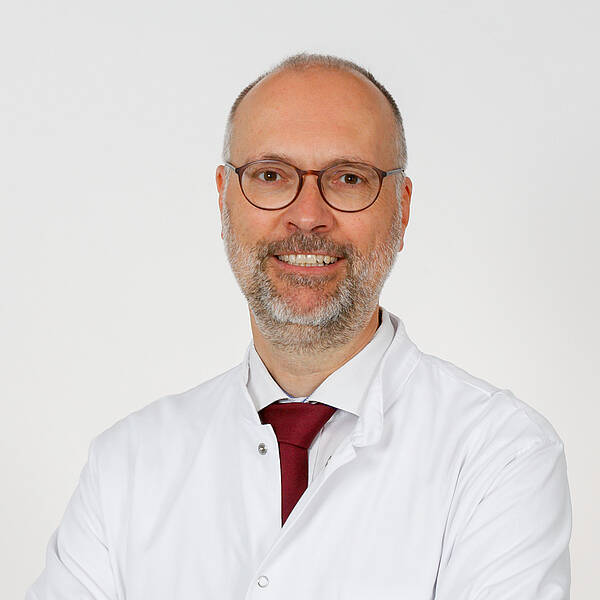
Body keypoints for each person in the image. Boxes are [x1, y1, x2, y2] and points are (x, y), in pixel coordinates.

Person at [27, 53, 572, 599]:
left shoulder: (500, 454)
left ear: (402, 209)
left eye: (349, 178)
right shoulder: (127, 464)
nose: (308, 215)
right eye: (271, 175)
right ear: (223, 199)